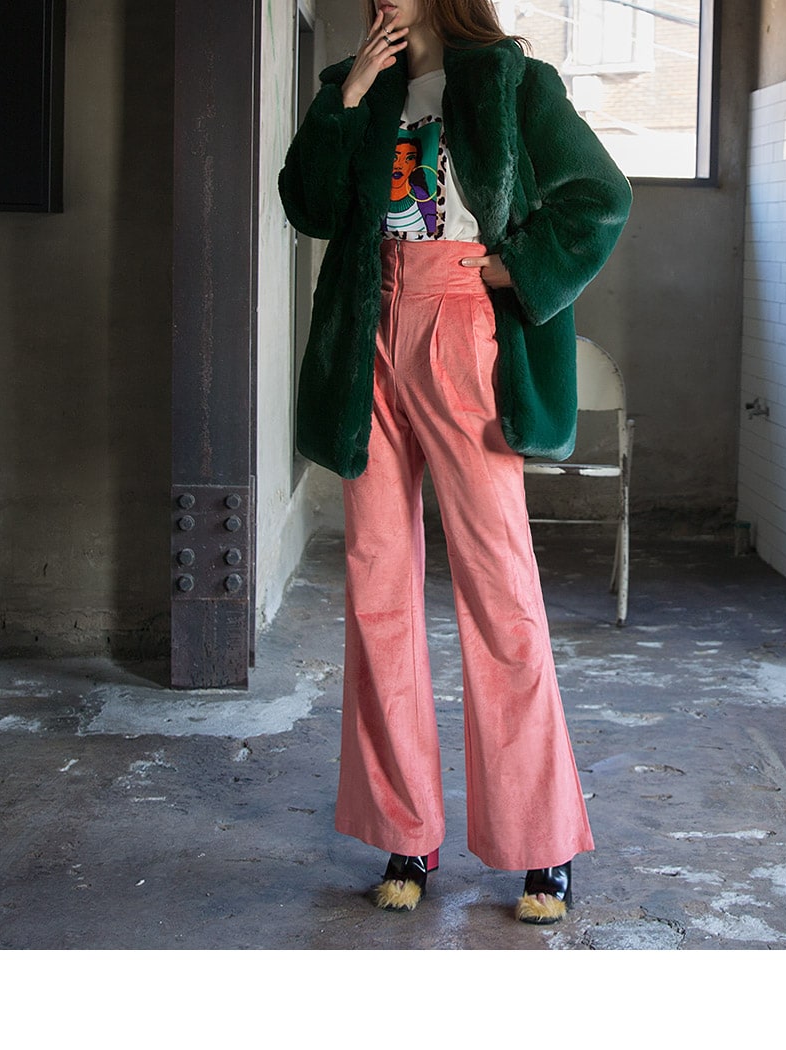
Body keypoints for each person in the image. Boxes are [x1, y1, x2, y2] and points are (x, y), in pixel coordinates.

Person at [278, 0, 631, 924]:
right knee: (376, 583)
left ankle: (541, 840)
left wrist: (517, 268)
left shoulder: (513, 81)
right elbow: (309, 206)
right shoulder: (355, 87)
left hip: (461, 325)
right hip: (367, 329)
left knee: (498, 583)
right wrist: (348, 95)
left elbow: (600, 195)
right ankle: (405, 830)